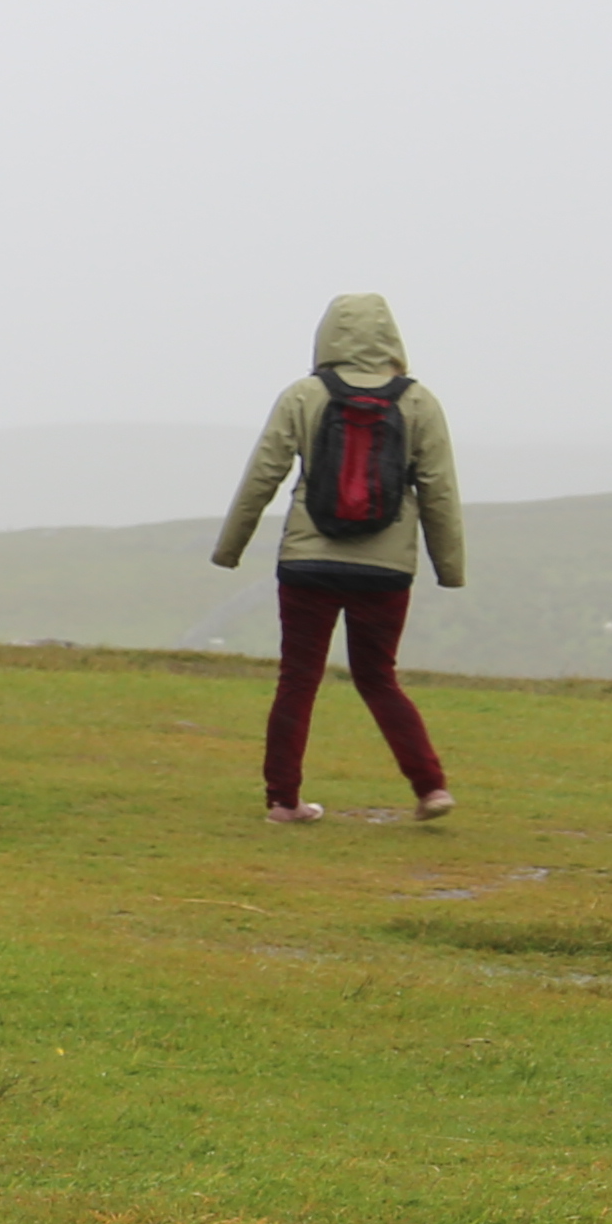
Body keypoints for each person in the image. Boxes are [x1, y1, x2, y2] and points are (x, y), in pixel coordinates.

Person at [209, 292, 466, 826]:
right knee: (379, 678)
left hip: (307, 562)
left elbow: (263, 474)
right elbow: (438, 489)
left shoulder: (303, 395)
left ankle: (284, 801)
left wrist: (230, 547)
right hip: (386, 570)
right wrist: (449, 567)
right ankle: (431, 787)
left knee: (298, 679)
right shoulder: (419, 402)